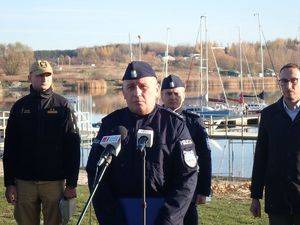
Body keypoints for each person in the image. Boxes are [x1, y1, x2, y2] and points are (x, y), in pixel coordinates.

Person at [86, 61, 198, 225]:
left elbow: (187, 178)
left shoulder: (174, 126)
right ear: (123, 92)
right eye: (130, 87)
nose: (137, 93)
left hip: (163, 215)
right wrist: (113, 219)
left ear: (157, 89)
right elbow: (95, 173)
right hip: (120, 215)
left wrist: (167, 220)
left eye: (143, 86)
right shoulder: (111, 125)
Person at [3, 60, 81, 225]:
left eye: (48, 75)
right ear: (30, 77)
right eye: (39, 75)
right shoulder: (19, 107)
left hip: (54, 182)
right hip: (23, 183)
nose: (44, 78)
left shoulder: (63, 106)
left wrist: (72, 183)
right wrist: (9, 183)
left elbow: (73, 146)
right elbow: (10, 147)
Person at [250, 63, 300, 225]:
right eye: (284, 81)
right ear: (279, 84)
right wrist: (255, 196)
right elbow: (261, 156)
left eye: (294, 80)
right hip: (277, 200)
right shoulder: (269, 115)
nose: (289, 86)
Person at [161, 74, 212, 225]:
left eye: (176, 93)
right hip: (160, 187)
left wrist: (203, 190)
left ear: (183, 95)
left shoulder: (194, 122)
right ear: (161, 95)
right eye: (168, 93)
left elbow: (205, 157)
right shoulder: (154, 120)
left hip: (186, 188)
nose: (172, 97)